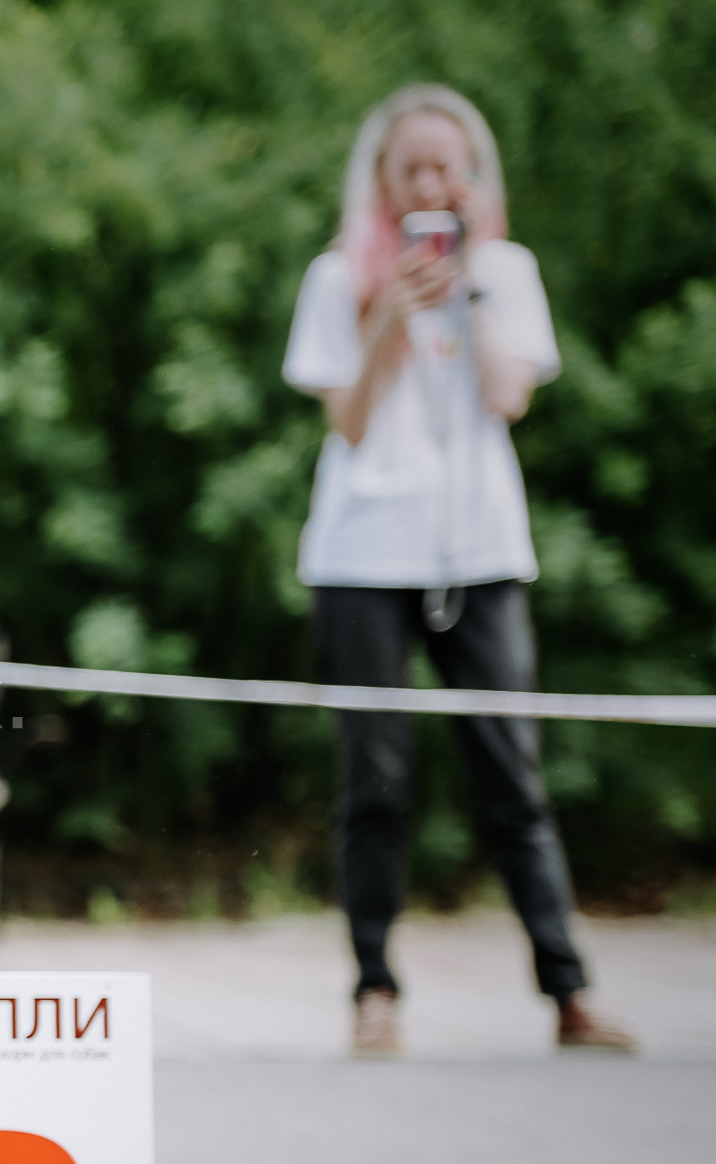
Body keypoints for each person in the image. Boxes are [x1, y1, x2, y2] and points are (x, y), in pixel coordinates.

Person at [282, 84, 634, 1059]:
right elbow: (346, 422)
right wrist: (389, 316)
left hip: (478, 552)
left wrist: (468, 287)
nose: (428, 184)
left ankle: (566, 991)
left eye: (445, 168)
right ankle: (373, 989)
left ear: (471, 179)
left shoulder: (507, 273)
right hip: (362, 554)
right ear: (382, 183)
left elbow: (507, 394)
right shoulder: (334, 278)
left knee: (511, 776)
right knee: (375, 781)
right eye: (411, 170)